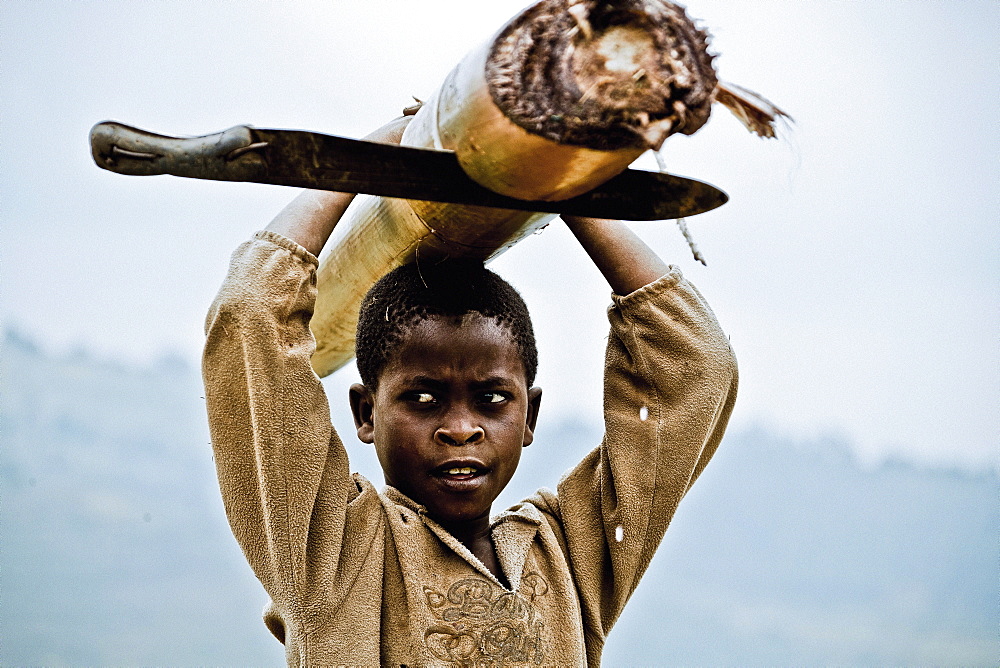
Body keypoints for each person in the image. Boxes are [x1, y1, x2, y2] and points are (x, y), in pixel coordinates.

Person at [203, 114, 738, 666]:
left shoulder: (569, 557)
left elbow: (694, 365)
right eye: (423, 398)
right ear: (366, 412)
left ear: (529, 415)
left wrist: (567, 188)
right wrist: (366, 159)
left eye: (492, 399)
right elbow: (251, 314)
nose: (461, 428)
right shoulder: (331, 548)